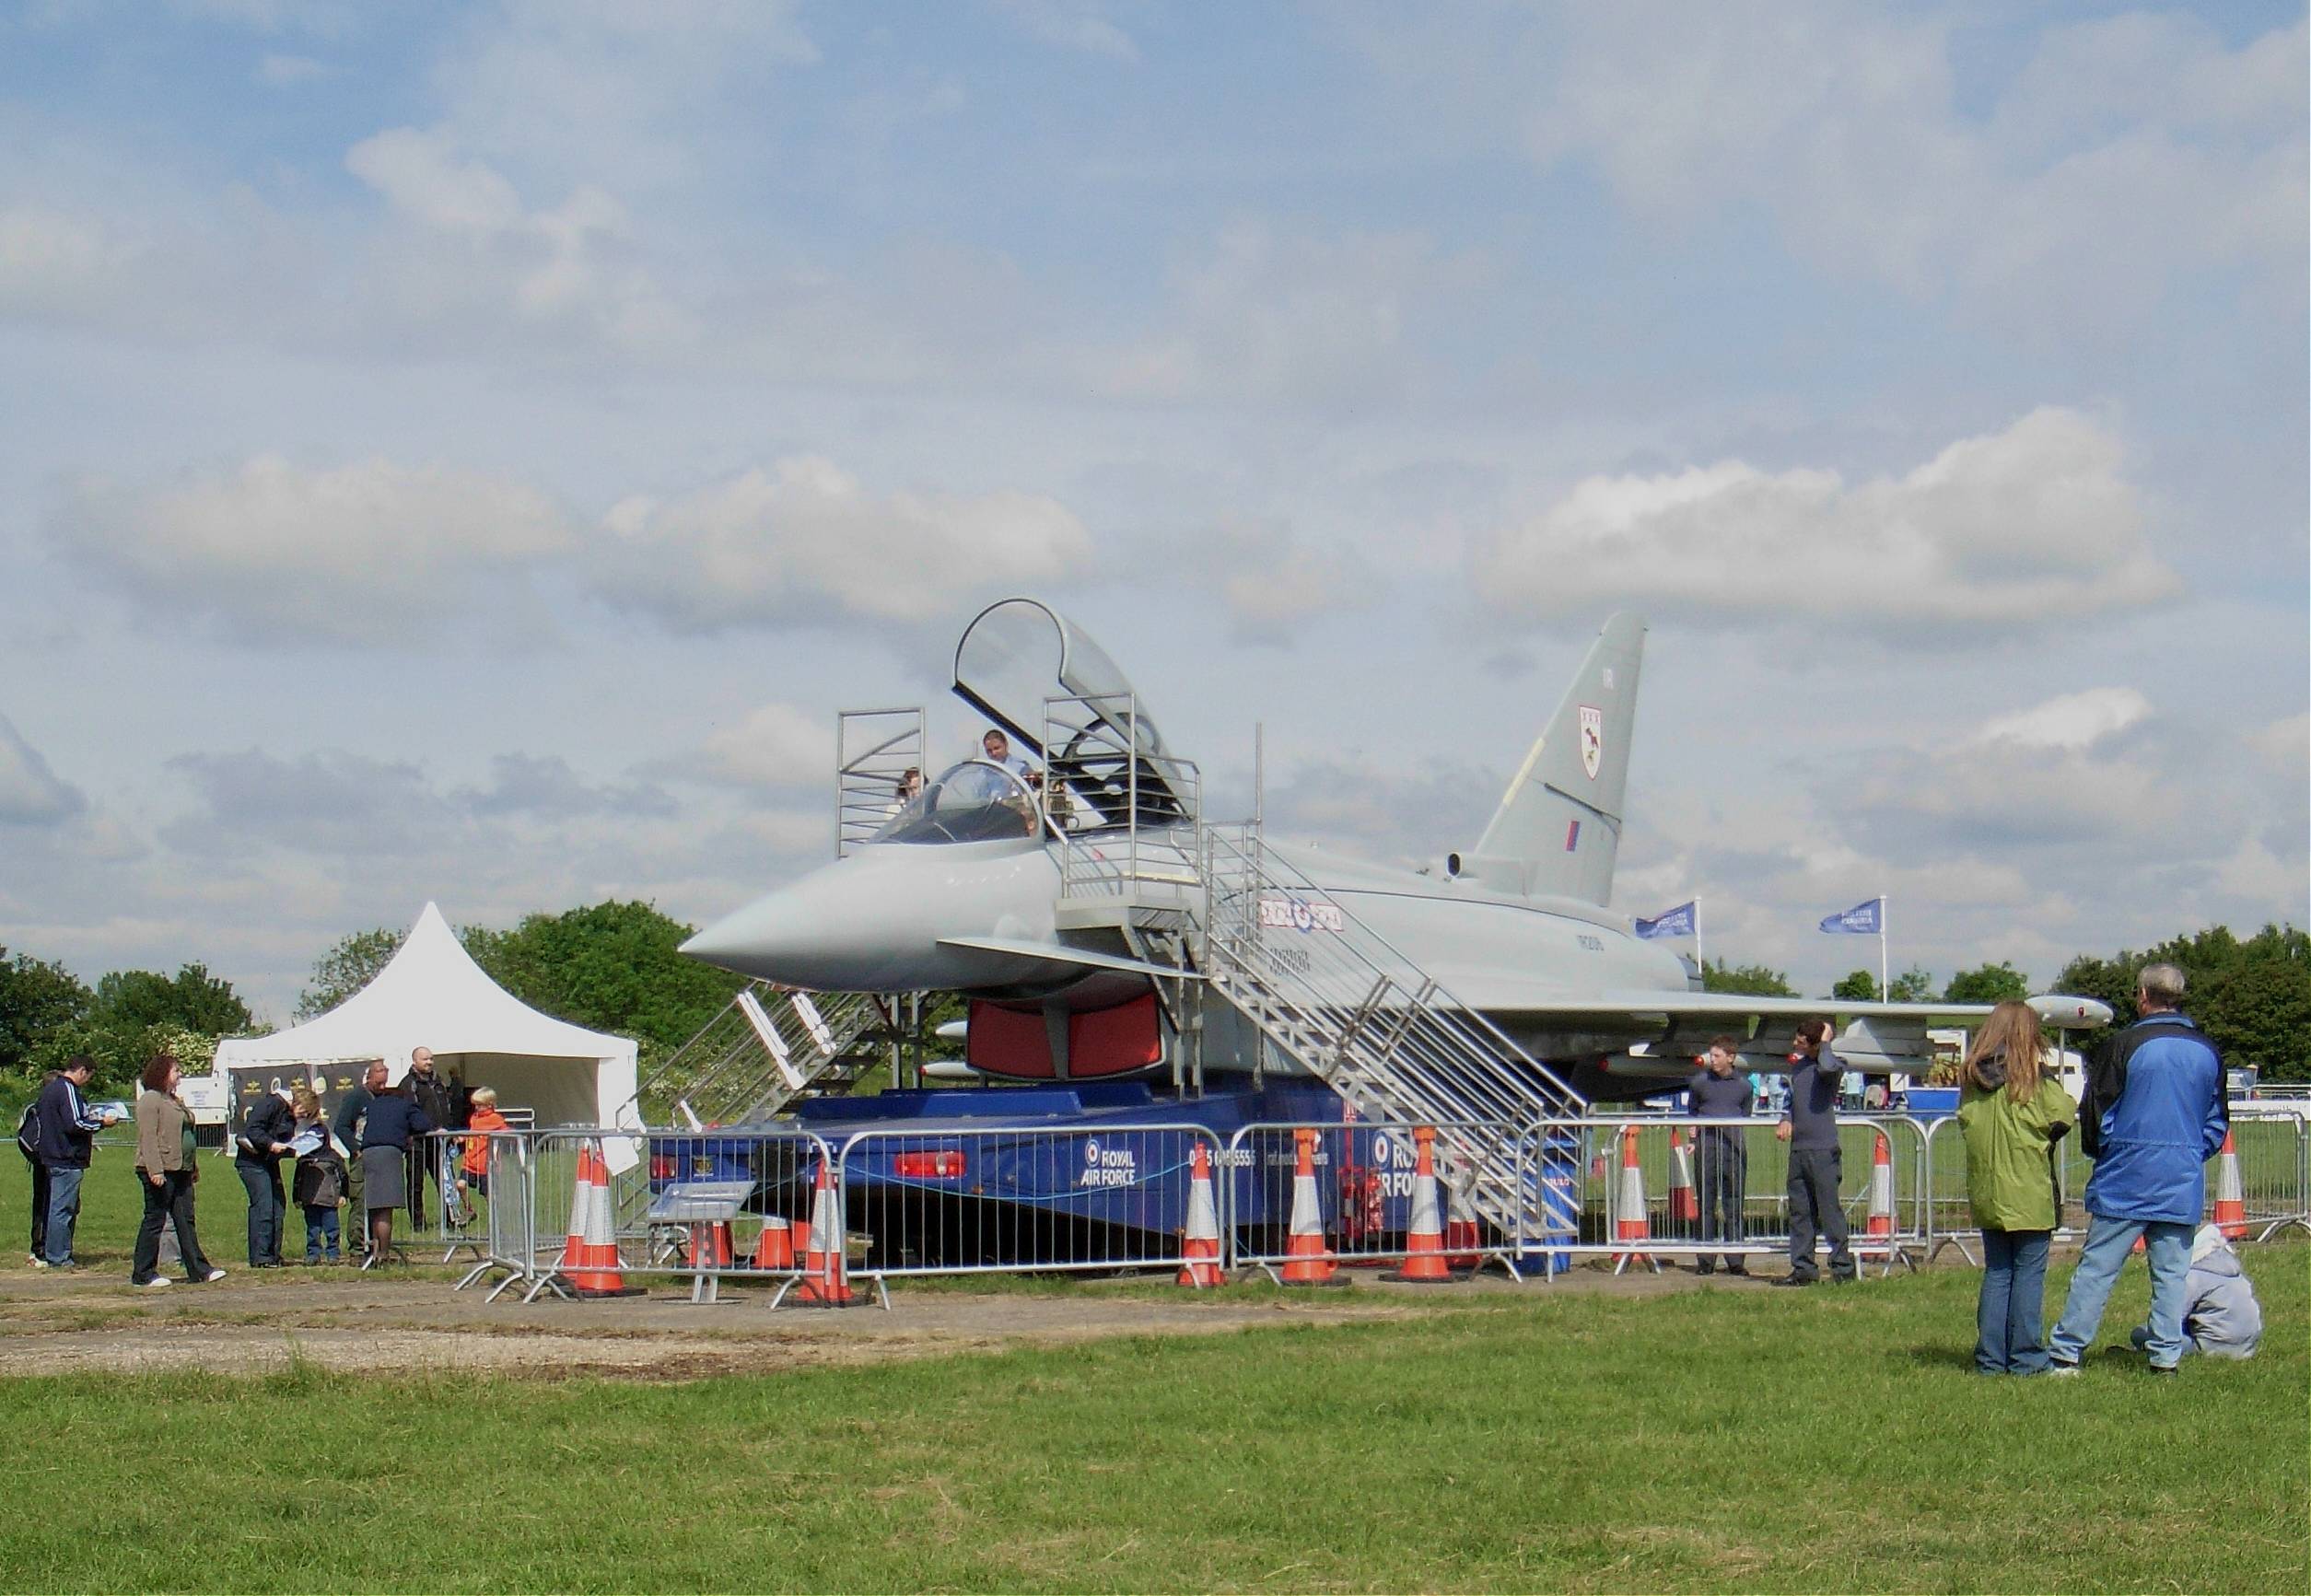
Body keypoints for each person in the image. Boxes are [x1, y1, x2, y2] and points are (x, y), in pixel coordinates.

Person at [2048, 962, 2226, 1375]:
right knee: (2171, 1275)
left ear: (2143, 996)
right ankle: (2164, 1358)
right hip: (2180, 1177)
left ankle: (2066, 1352)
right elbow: (2217, 1119)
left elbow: (2097, 1113)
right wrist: (2190, 1153)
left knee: (2097, 1270)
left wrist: (2108, 1152)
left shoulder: (2123, 1045)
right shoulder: (2207, 1051)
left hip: (2125, 1177)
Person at [1956, 1001, 2074, 1374]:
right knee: (2028, 1275)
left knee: (1997, 1273)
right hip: (2028, 1192)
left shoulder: (1972, 1081)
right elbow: (2063, 1115)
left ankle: (1991, 1359)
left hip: (1988, 1192)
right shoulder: (2035, 1080)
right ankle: (2027, 1358)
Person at [130, 1054, 225, 1287]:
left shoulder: (172, 1100)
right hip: (160, 1168)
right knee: (155, 1219)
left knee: (185, 1219)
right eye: (176, 1071)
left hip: (181, 1167)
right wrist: (155, 1170)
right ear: (162, 1073)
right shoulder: (151, 1100)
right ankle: (143, 1272)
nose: (179, 1075)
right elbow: (148, 1137)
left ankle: (199, 1269)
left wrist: (192, 1166)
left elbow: (186, 1133)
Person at [1773, 1018, 1855, 1286]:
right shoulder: (1798, 1068)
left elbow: (1828, 1067)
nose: (1795, 1044)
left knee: (1829, 1212)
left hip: (1823, 1150)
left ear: (1815, 1043)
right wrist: (1787, 1118)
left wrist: (1826, 1042)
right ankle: (1803, 1269)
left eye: (1801, 1041)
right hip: (1799, 1149)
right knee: (1800, 1213)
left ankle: (1842, 1268)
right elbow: (1794, 1101)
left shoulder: (1832, 1065)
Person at [2130, 1223, 2261, 1361]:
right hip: (2247, 1347)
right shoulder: (2236, 1274)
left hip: (2212, 1346)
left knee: (2140, 1333)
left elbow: (2171, 1318)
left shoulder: (2195, 1275)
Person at [32, 1055, 112, 1270]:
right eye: (89, 1076)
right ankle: (59, 1257)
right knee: (63, 1209)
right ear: (82, 1071)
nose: (87, 1081)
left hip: (52, 1155)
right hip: (66, 1156)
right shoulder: (67, 1089)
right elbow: (74, 1123)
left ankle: (55, 1252)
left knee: (59, 1207)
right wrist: (101, 1123)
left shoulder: (50, 1089)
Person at [1686, 1035, 1755, 1276]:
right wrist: (1693, 1140)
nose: (1712, 1060)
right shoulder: (1699, 1082)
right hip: (1707, 1147)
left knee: (1734, 1203)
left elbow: (1746, 1112)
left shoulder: (1744, 1086)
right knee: (1706, 1203)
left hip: (1733, 1148)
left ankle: (1736, 1260)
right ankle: (1705, 1260)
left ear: (1731, 1058)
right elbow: (1693, 1111)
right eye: (1711, 1055)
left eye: (1717, 1056)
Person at [356, 1076, 435, 1263]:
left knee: (375, 1206)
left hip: (368, 1153)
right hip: (389, 1153)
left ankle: (375, 1253)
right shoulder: (406, 1105)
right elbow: (423, 1124)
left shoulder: (372, 1105)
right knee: (386, 1208)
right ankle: (383, 1254)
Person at [234, 1081, 298, 1267]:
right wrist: (271, 1144)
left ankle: (273, 1254)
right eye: (302, 1112)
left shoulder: (286, 1112)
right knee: (264, 1207)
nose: (302, 1116)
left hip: (269, 1162)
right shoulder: (270, 1104)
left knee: (278, 1207)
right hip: (251, 1163)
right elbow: (252, 1130)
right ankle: (260, 1257)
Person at [332, 1061, 385, 1257]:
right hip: (361, 1157)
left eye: (385, 1082)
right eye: (379, 1082)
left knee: (380, 1202)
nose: (382, 1086)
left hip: (380, 1156)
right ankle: (357, 1246)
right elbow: (341, 1127)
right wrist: (355, 1149)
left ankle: (378, 1244)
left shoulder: (384, 1097)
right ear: (368, 1078)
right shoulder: (356, 1097)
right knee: (360, 1202)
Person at [289, 1084, 345, 1264]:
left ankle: (333, 1253)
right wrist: (296, 1196)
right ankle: (313, 1253)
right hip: (309, 1194)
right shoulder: (303, 1158)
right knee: (312, 1226)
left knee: (331, 1225)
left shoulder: (330, 1153)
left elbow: (342, 1174)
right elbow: (298, 1177)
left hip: (328, 1193)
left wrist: (343, 1194)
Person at [402, 1047, 456, 1230]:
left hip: (440, 1142)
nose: (429, 1062)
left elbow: (446, 1108)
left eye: (431, 1059)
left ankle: (451, 1218)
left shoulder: (438, 1081)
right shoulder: (409, 1084)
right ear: (414, 1061)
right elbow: (411, 1113)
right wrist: (431, 1129)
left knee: (445, 1181)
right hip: (418, 1142)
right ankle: (418, 1224)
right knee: (416, 1185)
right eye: (425, 1059)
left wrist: (450, 1131)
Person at [16, 1081, 53, 1267]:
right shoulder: (46, 1110)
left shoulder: (34, 1108)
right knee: (48, 1204)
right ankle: (41, 1249)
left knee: (41, 1203)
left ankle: (41, 1247)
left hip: (39, 1160)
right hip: (49, 1160)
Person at [458, 1086, 509, 1207]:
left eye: (479, 1105)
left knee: (488, 1194)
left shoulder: (495, 1119)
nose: (476, 1108)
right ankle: (469, 1208)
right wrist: (463, 1138)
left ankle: (495, 1214)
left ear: (489, 1105)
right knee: (460, 1185)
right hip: (470, 1162)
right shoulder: (474, 1118)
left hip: (485, 1165)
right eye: (475, 1105)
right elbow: (472, 1132)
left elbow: (506, 1130)